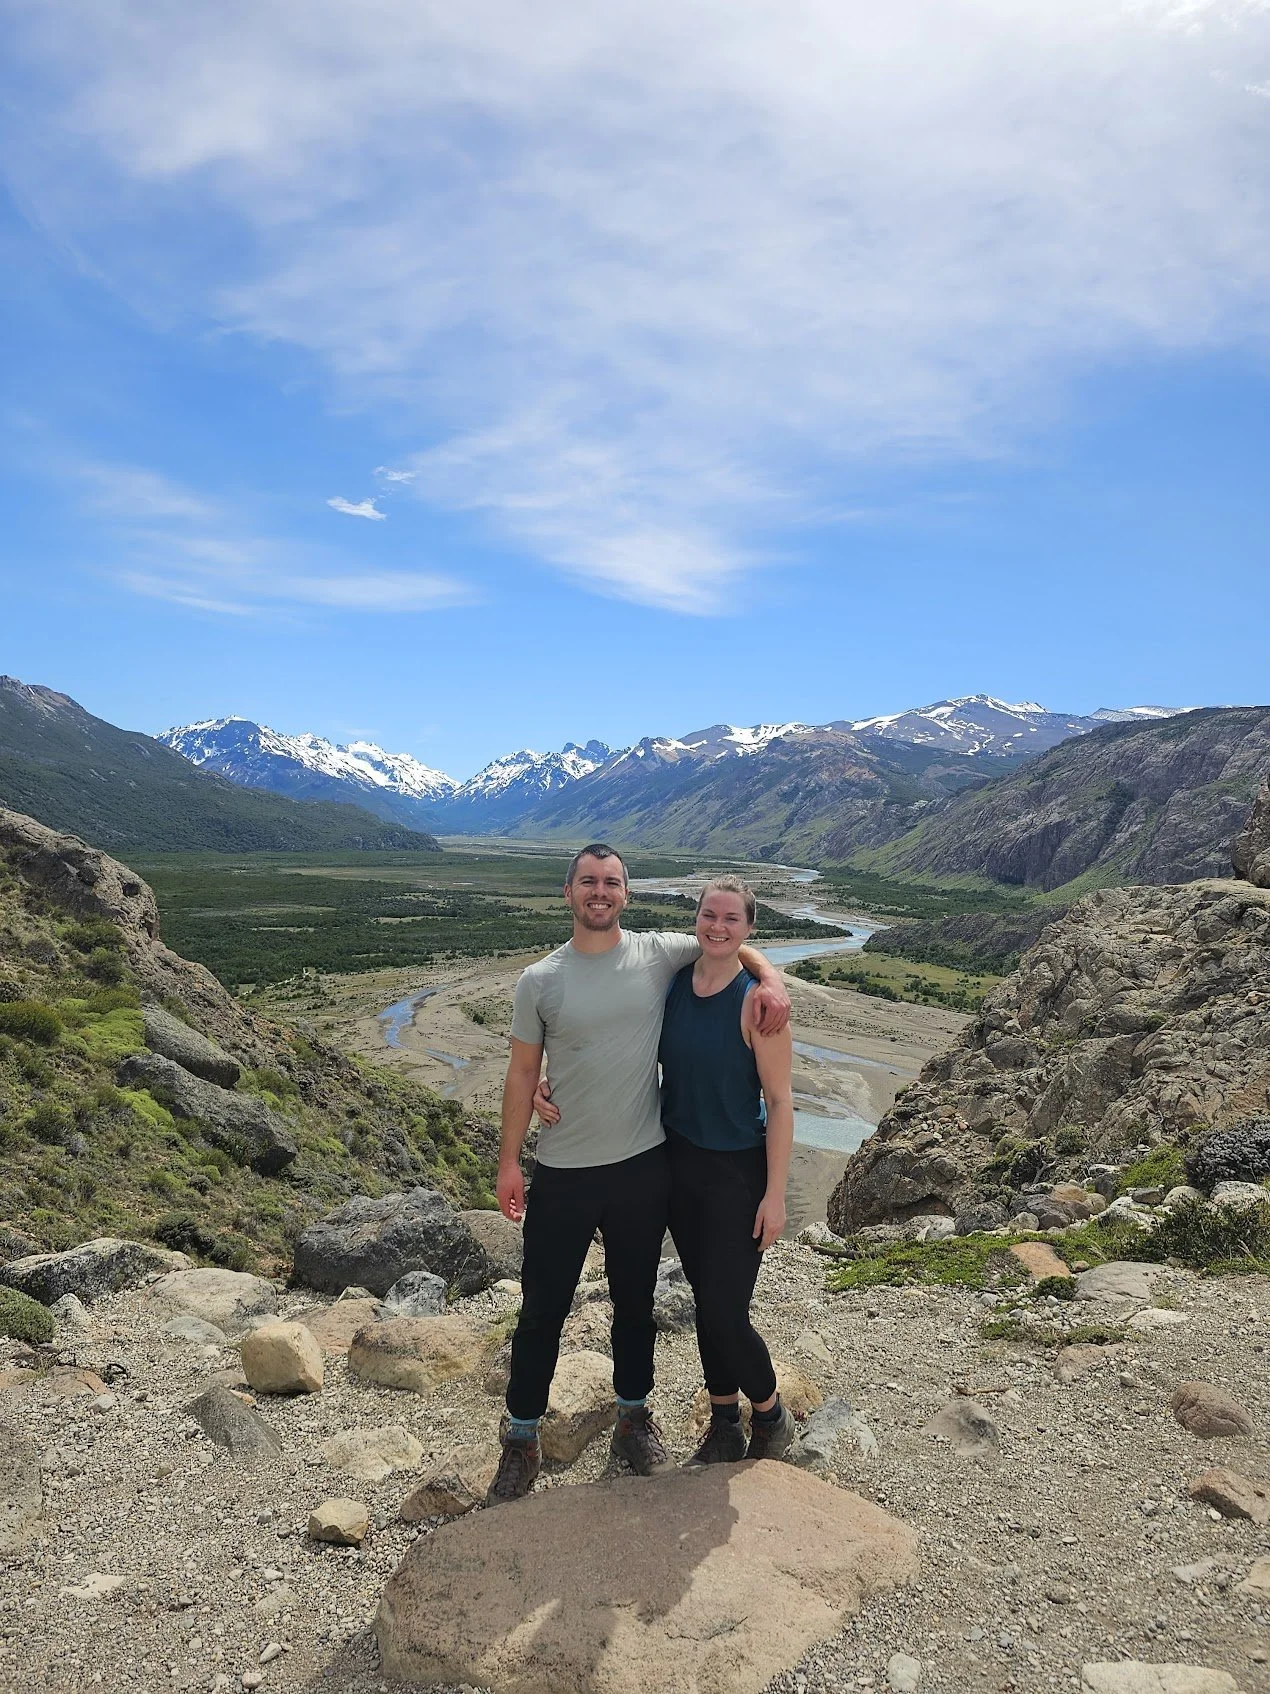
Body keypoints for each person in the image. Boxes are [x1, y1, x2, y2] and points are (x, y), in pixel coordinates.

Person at [487, 843, 791, 1506]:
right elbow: (518, 1073)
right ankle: (520, 1438)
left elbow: (729, 942)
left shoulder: (657, 953)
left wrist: (770, 979)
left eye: (613, 883)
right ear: (569, 891)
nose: (601, 892)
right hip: (563, 1169)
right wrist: (511, 1160)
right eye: (589, 882)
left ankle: (633, 1417)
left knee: (635, 1306)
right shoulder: (540, 980)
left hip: (641, 1168)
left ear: (627, 894)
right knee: (541, 1310)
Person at [660, 875, 795, 1465]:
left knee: (723, 1309)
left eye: (731, 919)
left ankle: (769, 1413)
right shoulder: (673, 982)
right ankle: (722, 1425)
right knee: (703, 1297)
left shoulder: (758, 1004)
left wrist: (775, 1196)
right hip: (679, 1164)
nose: (717, 926)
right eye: (709, 915)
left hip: (737, 1174)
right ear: (696, 919)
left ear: (749, 929)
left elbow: (783, 1102)